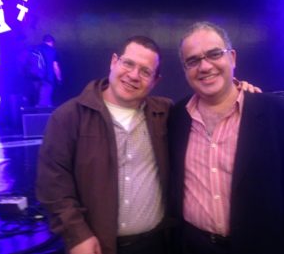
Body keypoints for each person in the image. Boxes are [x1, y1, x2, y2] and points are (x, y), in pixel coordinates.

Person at [36, 35, 258, 254]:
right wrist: (77, 234)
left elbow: (211, 102)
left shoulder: (165, 112)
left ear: (155, 80)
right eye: (128, 64)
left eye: (145, 71)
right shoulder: (70, 116)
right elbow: (53, 184)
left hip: (157, 245)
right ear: (114, 62)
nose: (133, 75)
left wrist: (238, 90)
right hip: (97, 246)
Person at [168, 21, 284, 254]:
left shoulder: (282, 116)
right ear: (185, 70)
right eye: (192, 60)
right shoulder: (176, 118)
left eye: (214, 54)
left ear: (232, 57)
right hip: (193, 246)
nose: (204, 66)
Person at [29, 34, 62, 107]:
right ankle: (44, 116)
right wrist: (59, 78)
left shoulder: (35, 49)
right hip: (47, 78)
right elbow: (55, 66)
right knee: (46, 100)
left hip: (34, 77)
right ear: (52, 42)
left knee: (37, 98)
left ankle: (34, 113)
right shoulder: (52, 51)